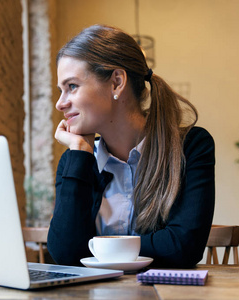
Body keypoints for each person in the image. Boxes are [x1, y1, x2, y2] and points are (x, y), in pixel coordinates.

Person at [47, 24, 215, 268]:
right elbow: (65, 253)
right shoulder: (76, 159)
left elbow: (182, 246)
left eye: (72, 86)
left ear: (116, 82)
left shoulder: (191, 147)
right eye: (60, 91)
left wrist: (99, 248)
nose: (60, 104)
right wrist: (80, 154)